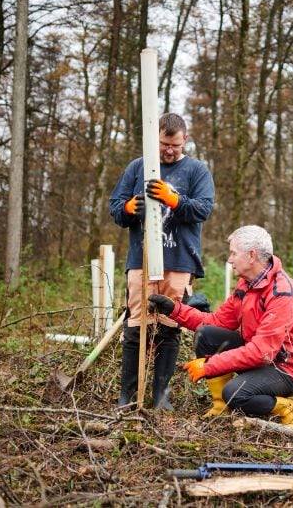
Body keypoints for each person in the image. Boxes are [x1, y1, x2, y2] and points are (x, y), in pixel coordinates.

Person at [148, 225, 293, 428]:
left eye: (234, 253)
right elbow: (216, 322)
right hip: (262, 354)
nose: (229, 259)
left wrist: (209, 366)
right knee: (206, 335)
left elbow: (262, 352)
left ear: (251, 255)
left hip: (288, 368)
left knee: (235, 393)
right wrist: (175, 310)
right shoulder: (247, 284)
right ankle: (221, 407)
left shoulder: (282, 294)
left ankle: (288, 409)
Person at [109, 113, 215, 410]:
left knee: (170, 326)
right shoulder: (138, 167)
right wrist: (129, 207)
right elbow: (115, 207)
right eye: (165, 144)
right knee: (135, 326)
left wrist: (175, 200)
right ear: (156, 140)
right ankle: (127, 397)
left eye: (176, 145)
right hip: (141, 260)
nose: (170, 150)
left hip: (180, 261)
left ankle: (162, 397)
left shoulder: (196, 170)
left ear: (185, 140)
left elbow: (204, 209)